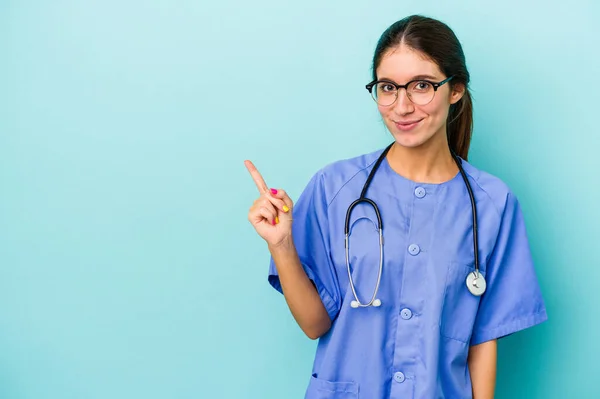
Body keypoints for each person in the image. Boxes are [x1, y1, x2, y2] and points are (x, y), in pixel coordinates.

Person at [245, 14, 547, 399]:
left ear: (455, 89)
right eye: (388, 87)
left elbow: (483, 340)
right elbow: (314, 324)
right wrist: (282, 244)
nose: (402, 106)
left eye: (421, 86)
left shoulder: (493, 205)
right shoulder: (334, 188)